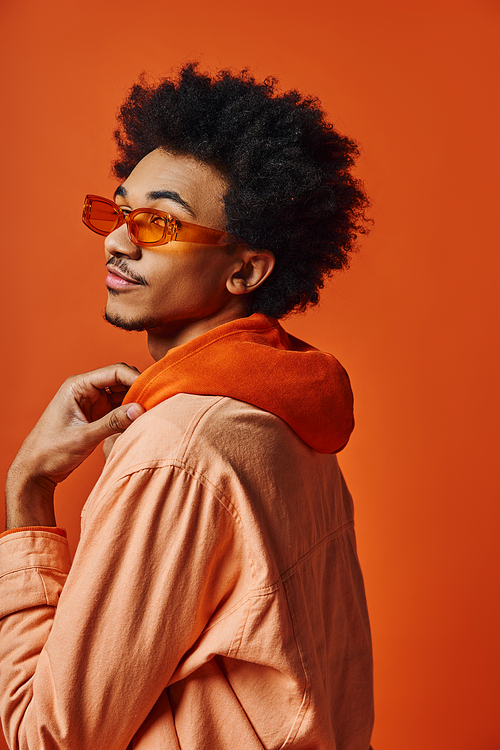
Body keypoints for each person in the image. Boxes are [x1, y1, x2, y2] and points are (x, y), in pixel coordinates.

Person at [0, 64, 374, 749]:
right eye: (117, 212)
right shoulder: (281, 414)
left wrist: (28, 492)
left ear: (245, 270)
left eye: (160, 223)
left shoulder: (178, 448)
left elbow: (48, 736)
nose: (116, 241)